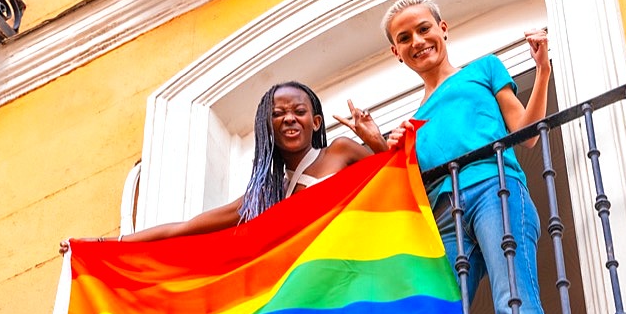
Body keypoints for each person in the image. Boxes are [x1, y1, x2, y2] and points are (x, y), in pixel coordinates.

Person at [382, 0, 562, 314]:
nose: (418, 41)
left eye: (424, 29)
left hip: (493, 190)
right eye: (404, 38)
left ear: (444, 28)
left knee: (512, 301)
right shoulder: (415, 122)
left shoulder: (484, 70)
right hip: (444, 215)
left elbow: (527, 136)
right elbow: (412, 190)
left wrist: (542, 72)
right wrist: (380, 145)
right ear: (396, 53)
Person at [60, 80, 387, 250]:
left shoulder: (341, 151)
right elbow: (182, 229)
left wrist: (375, 141)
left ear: (316, 122)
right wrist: (103, 244)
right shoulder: (261, 199)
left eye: (299, 111)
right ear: (266, 126)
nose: (289, 118)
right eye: (278, 113)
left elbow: (397, 181)